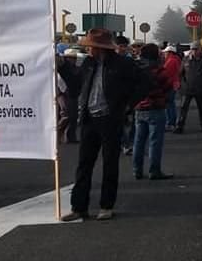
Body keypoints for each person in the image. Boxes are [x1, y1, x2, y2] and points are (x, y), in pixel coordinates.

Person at [58, 29, 146, 221]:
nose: (88, 49)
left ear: (101, 48)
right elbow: (75, 86)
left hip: (110, 119)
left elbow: (144, 83)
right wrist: (62, 67)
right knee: (84, 164)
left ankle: (106, 205)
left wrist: (128, 106)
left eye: (91, 46)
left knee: (110, 163)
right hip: (90, 119)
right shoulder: (88, 64)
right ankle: (79, 207)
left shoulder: (122, 64)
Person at [132, 43, 174, 180]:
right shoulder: (159, 71)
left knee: (138, 141)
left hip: (139, 108)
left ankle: (137, 170)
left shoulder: (136, 69)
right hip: (156, 109)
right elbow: (168, 89)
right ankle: (154, 170)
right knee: (155, 141)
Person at [175, 41, 202, 134]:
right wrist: (180, 85)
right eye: (192, 49)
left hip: (200, 89)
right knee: (183, 108)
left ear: (200, 49)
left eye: (196, 49)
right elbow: (180, 73)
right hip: (187, 89)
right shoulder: (186, 59)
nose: (194, 51)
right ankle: (179, 126)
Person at [162, 45, 182, 130]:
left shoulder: (170, 61)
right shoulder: (176, 60)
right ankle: (172, 122)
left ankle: (170, 123)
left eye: (165, 52)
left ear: (170, 52)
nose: (164, 54)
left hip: (169, 85)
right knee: (171, 104)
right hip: (174, 84)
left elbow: (166, 74)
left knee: (169, 105)